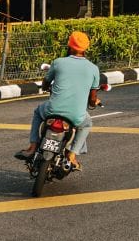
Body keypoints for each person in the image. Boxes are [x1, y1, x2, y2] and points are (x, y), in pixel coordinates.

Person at [15, 30, 101, 169]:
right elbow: (92, 98)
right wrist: (94, 102)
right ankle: (72, 155)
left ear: (70, 46)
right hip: (75, 116)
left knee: (38, 112)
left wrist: (45, 87)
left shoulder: (58, 62)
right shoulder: (93, 69)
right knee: (86, 124)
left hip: (52, 110)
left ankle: (32, 146)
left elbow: (46, 82)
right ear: (85, 48)